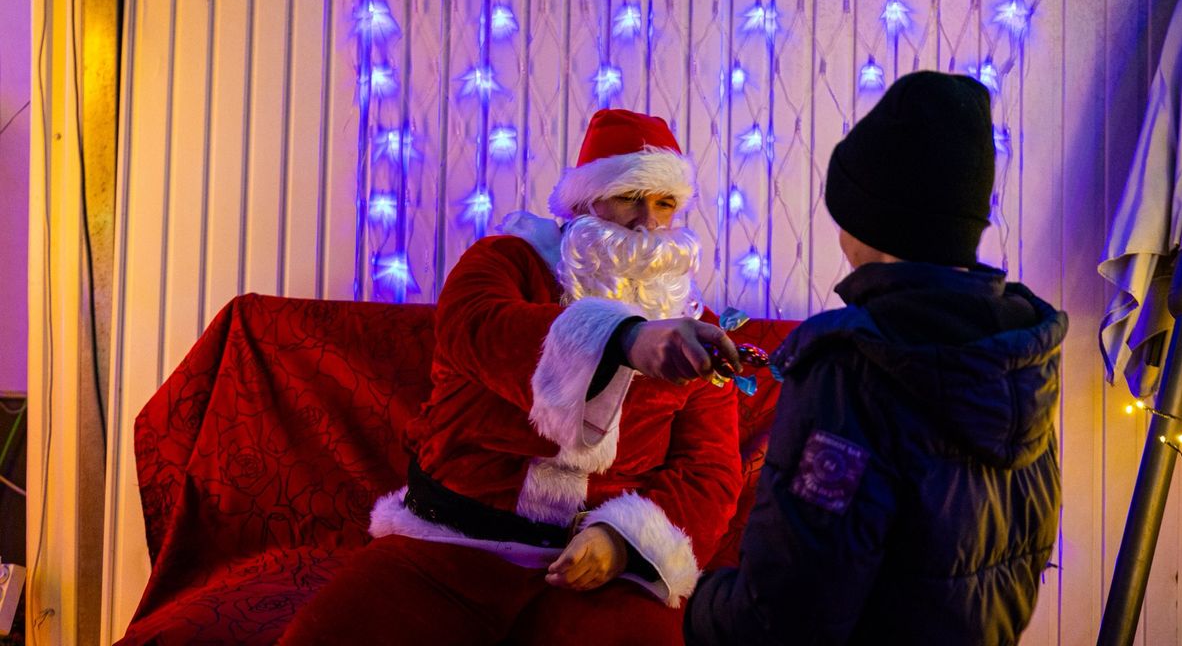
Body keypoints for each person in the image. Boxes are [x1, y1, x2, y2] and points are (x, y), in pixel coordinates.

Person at [281, 109, 747, 646]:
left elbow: (709, 469)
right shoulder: (503, 263)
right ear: (582, 203)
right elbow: (474, 327)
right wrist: (624, 339)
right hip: (445, 546)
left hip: (601, 568)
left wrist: (623, 541)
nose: (646, 222)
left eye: (664, 203)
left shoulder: (697, 328)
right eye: (627, 196)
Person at [684, 71, 1068, 645]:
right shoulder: (1019, 360)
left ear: (871, 218)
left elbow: (783, 621)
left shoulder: (851, 371)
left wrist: (694, 601)